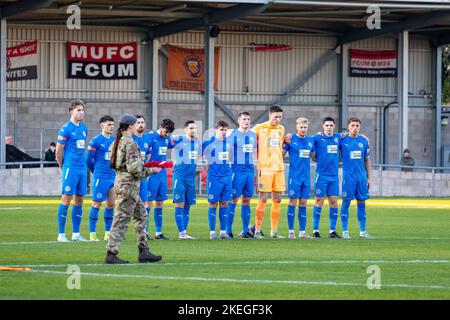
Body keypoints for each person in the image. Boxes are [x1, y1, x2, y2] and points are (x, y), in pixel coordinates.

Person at [105, 114, 162, 264]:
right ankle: (111, 253)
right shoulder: (129, 142)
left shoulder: (118, 141)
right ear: (130, 126)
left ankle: (143, 251)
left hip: (124, 183)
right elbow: (134, 168)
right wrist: (152, 170)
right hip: (128, 186)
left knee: (141, 215)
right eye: (136, 123)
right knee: (121, 219)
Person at [55, 99, 88, 242]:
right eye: (78, 110)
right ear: (71, 111)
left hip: (82, 168)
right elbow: (58, 152)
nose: (81, 112)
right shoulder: (66, 128)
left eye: (82, 110)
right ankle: (61, 234)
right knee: (66, 199)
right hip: (70, 168)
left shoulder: (84, 128)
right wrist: (63, 167)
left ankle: (76, 234)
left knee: (79, 200)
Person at [252, 105, 286, 239]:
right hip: (265, 169)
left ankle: (274, 231)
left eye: (280, 117)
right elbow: (248, 140)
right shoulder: (259, 128)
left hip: (278, 169)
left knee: (277, 199)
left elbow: (283, 145)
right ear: (269, 115)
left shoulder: (281, 129)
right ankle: (258, 230)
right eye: (275, 117)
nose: (278, 119)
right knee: (263, 199)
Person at [339, 117, 373, 239]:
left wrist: (369, 178)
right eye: (352, 125)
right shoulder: (342, 140)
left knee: (362, 202)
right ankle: (345, 231)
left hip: (361, 177)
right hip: (348, 177)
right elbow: (329, 137)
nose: (355, 128)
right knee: (346, 202)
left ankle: (363, 232)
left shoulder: (363, 141)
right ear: (348, 127)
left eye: (357, 126)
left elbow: (367, 160)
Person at [282, 117, 315, 239]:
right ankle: (291, 231)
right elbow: (281, 154)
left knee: (303, 203)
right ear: (297, 127)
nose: (303, 129)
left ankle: (302, 232)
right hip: (294, 177)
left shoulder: (311, 141)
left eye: (305, 127)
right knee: (292, 202)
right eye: (301, 127)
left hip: (306, 177)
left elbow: (315, 156)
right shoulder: (290, 139)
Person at [202, 120, 234, 240]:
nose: (224, 132)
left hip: (226, 176)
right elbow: (200, 152)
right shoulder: (209, 142)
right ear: (216, 130)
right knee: (213, 203)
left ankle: (223, 232)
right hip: (214, 177)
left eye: (225, 130)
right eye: (221, 129)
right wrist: (205, 160)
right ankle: (212, 232)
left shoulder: (229, 143)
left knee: (225, 202)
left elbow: (230, 156)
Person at [86, 116, 116, 242]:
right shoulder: (96, 141)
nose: (112, 127)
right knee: (96, 204)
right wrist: (96, 172)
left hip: (112, 177)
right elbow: (88, 160)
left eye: (113, 124)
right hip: (100, 177)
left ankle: (107, 233)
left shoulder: (115, 141)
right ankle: (92, 233)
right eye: (109, 124)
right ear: (102, 125)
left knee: (111, 205)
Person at [145, 119, 175, 240]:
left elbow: (175, 143)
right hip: (151, 174)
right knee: (148, 203)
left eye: (169, 132)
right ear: (161, 127)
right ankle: (144, 232)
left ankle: (158, 233)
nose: (167, 134)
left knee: (160, 203)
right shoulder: (150, 137)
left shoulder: (167, 139)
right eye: (166, 131)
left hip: (162, 174)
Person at [228, 112, 257, 239]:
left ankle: (246, 231)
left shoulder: (253, 135)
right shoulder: (232, 135)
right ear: (239, 120)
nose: (246, 121)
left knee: (247, 200)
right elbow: (226, 150)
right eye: (244, 119)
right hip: (237, 170)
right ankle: (228, 231)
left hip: (250, 170)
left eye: (248, 119)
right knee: (233, 199)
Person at [312, 117, 341, 239]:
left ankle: (332, 231)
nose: (329, 127)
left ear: (334, 127)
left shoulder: (338, 137)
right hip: (321, 175)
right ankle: (315, 230)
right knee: (319, 202)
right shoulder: (317, 138)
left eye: (331, 125)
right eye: (327, 125)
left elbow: (349, 135)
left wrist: (363, 136)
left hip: (334, 176)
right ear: (323, 127)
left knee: (334, 203)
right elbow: (311, 153)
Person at [170, 120, 200, 239]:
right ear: (186, 129)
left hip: (190, 179)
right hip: (180, 177)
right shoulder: (180, 139)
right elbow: (168, 140)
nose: (193, 130)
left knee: (188, 206)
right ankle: (181, 233)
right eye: (191, 128)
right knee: (180, 205)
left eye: (195, 128)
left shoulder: (197, 142)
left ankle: (184, 232)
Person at [132, 115, 153, 238]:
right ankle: (119, 232)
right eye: (138, 122)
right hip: (131, 177)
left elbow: (148, 156)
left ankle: (144, 232)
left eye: (142, 122)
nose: (140, 124)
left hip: (143, 177)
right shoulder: (130, 139)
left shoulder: (146, 140)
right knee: (127, 205)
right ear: (133, 125)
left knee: (145, 204)